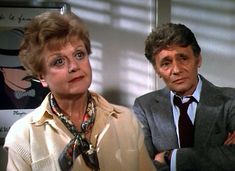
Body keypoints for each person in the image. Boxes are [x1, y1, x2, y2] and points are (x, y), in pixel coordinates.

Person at [3, 11, 155, 171]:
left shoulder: (126, 121)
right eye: (59, 61)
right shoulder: (23, 135)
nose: (74, 66)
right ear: (42, 77)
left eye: (79, 54)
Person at [133, 23, 235, 171]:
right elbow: (141, 166)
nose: (176, 70)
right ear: (157, 70)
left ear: (198, 59)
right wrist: (219, 155)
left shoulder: (231, 100)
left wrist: (170, 157)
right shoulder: (144, 106)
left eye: (183, 58)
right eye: (166, 63)